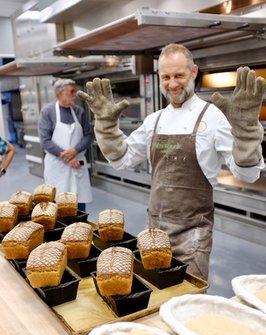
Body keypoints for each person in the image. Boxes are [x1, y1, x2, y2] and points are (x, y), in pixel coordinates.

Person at [78, 43, 265, 281]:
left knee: (186, 300)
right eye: (165, 77)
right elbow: (122, 160)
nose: (172, 83)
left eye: (179, 75)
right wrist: (106, 126)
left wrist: (246, 132)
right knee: (154, 297)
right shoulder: (155, 120)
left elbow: (247, 175)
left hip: (194, 235)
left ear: (194, 72)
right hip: (153, 231)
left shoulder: (213, 116)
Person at [38, 78, 92, 211]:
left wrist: (75, 150)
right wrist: (67, 156)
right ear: (59, 93)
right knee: (57, 206)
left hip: (77, 164)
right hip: (57, 167)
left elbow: (88, 135)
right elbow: (45, 140)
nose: (75, 95)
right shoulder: (47, 112)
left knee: (79, 206)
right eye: (72, 91)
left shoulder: (79, 112)